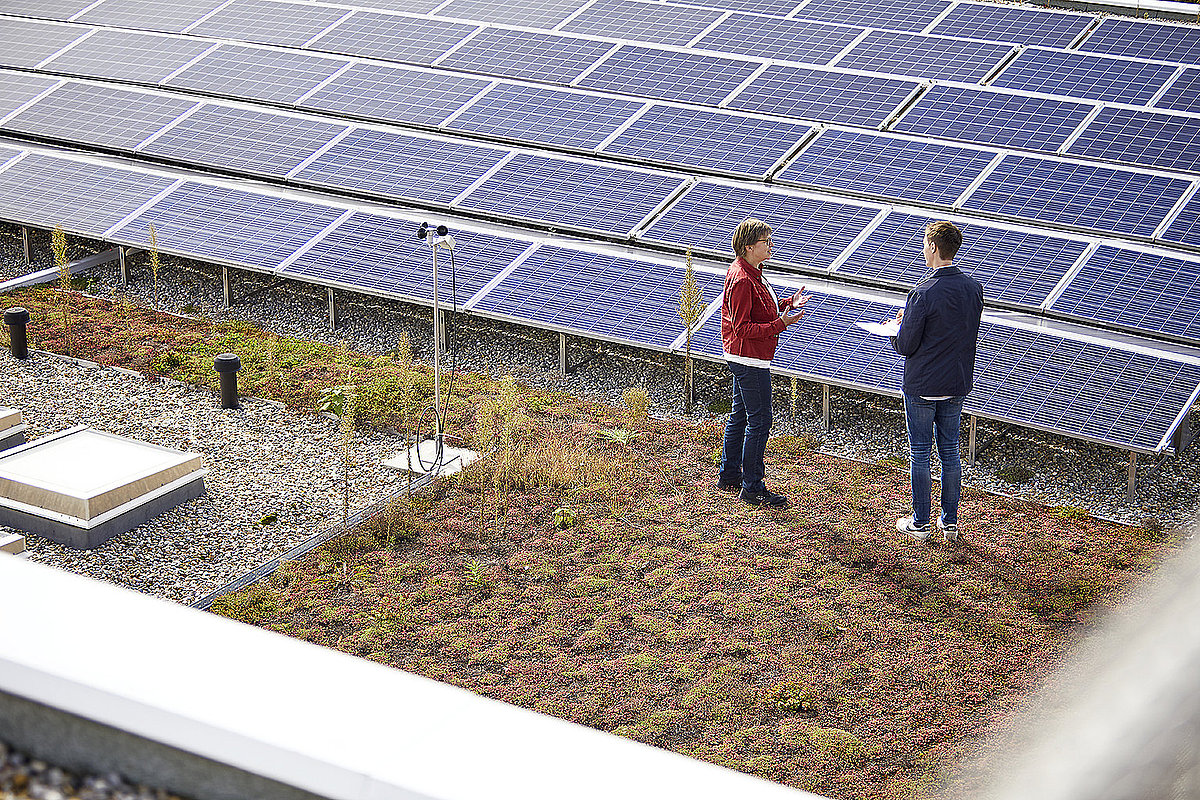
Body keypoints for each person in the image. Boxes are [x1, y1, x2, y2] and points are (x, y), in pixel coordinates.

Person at [890, 220, 983, 542]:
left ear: (932, 247)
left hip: (923, 385)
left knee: (919, 452)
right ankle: (950, 522)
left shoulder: (922, 292)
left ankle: (920, 523)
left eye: (925, 244)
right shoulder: (972, 288)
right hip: (957, 381)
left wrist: (896, 329)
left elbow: (907, 345)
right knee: (950, 451)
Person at [717, 219, 809, 508]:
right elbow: (743, 327)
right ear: (748, 247)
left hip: (744, 356)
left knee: (740, 415)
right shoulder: (743, 279)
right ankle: (753, 487)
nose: (771, 246)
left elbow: (760, 307)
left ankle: (730, 475)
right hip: (749, 359)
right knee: (760, 420)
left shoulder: (751, 272)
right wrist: (780, 323)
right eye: (765, 242)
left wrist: (785, 304)